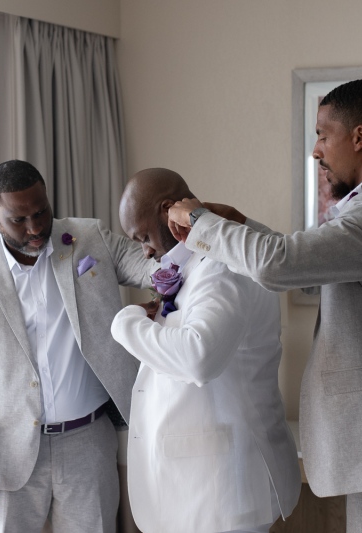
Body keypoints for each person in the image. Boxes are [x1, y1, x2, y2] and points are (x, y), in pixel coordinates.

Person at [168, 79, 362, 532]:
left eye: (323, 135)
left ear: (359, 137)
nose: (316, 151)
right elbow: (302, 257)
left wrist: (200, 221)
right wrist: (241, 224)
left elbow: (279, 265)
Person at [0, 160, 155, 533]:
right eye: (18, 220)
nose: (35, 228)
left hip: (89, 442)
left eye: (41, 213)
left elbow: (158, 270)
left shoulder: (89, 238)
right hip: (7, 452)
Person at [110, 168, 301, 533]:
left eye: (144, 236)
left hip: (224, 489)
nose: (146, 251)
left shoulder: (220, 265)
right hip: (201, 487)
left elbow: (199, 357)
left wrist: (126, 324)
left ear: (168, 210)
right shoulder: (198, 262)